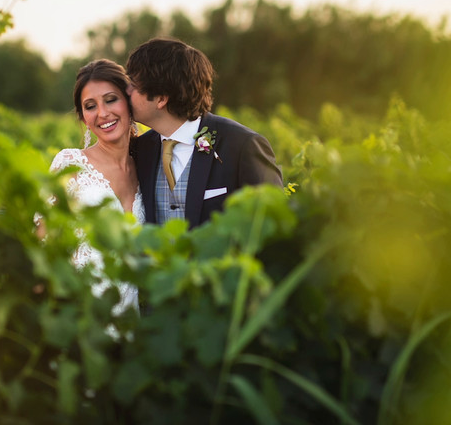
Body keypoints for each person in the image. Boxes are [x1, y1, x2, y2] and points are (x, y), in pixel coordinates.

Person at [34, 59, 143, 338]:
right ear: (83, 117)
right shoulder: (70, 165)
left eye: (111, 100)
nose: (102, 113)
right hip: (83, 325)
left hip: (137, 327)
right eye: (90, 106)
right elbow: (42, 244)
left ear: (129, 103)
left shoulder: (149, 166)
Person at [125, 37, 283, 228]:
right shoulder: (141, 150)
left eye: (133, 85)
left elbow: (273, 227)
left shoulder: (242, 146)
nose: (126, 91)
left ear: (161, 99)